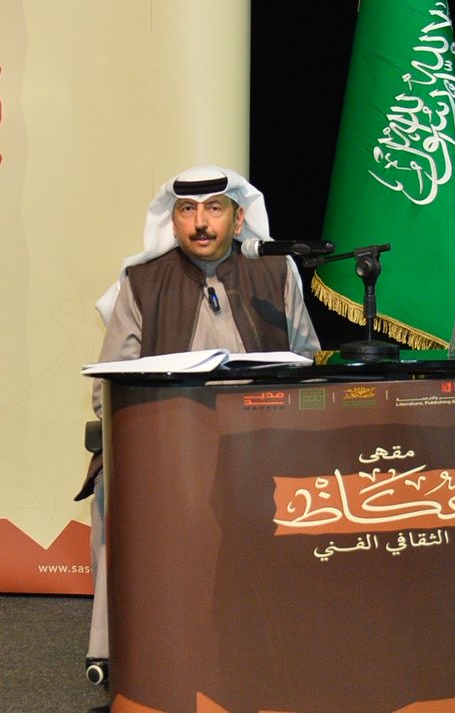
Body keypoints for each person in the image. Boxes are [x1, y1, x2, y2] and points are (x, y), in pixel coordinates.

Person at [78, 164, 320, 684]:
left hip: (262, 442)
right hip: (168, 450)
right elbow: (106, 388)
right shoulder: (143, 283)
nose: (200, 223)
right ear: (173, 221)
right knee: (113, 489)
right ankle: (116, 653)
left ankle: (291, 644)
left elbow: (308, 359)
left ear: (238, 220)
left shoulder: (276, 273)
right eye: (187, 210)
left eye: (214, 209)